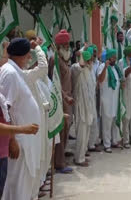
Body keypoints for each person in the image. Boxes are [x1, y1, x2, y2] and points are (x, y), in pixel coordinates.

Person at [0, 38, 41, 200]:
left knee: (21, 188)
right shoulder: (9, 73)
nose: (29, 59)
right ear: (19, 55)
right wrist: (12, 140)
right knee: (17, 188)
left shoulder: (14, 70)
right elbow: (4, 111)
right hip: (18, 141)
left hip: (25, 140)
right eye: (27, 55)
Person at [24, 30, 51, 198]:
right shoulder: (24, 74)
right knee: (31, 164)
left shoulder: (30, 76)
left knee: (41, 157)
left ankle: (39, 186)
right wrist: (38, 48)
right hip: (30, 126)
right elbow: (43, 67)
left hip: (40, 120)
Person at [49, 29, 74, 174]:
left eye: (67, 43)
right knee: (60, 130)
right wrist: (65, 97)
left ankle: (61, 156)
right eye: (64, 44)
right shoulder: (55, 60)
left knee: (66, 130)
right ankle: (59, 162)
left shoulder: (65, 59)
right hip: (60, 99)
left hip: (68, 100)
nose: (67, 46)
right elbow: (53, 83)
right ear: (58, 46)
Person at [71, 51, 96, 167]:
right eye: (89, 59)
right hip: (81, 106)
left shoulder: (89, 69)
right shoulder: (76, 68)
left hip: (89, 105)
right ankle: (78, 159)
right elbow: (79, 66)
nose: (91, 61)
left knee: (86, 131)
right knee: (81, 132)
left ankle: (82, 155)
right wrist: (83, 58)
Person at [97, 49, 123, 153]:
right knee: (106, 122)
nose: (115, 59)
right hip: (106, 99)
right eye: (113, 57)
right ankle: (107, 144)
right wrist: (105, 68)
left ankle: (114, 141)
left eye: (115, 57)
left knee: (113, 121)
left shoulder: (116, 68)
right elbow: (100, 80)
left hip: (114, 99)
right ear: (108, 58)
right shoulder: (102, 67)